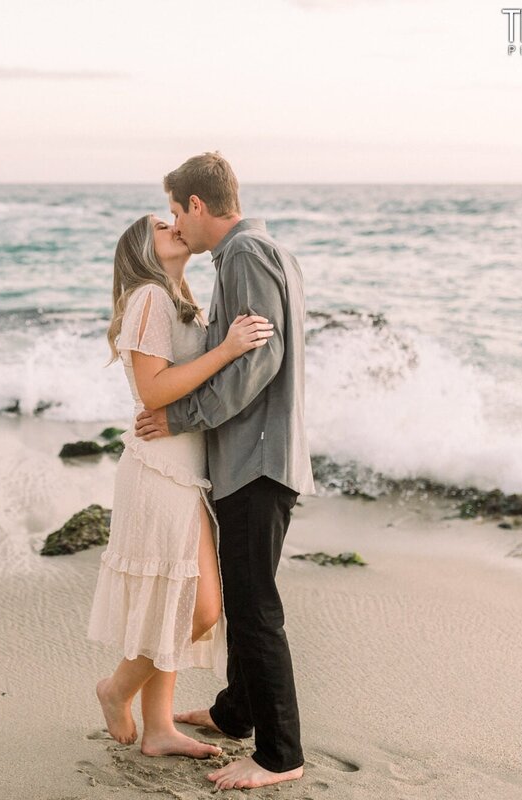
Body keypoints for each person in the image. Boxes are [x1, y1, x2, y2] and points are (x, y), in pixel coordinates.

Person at [134, 152, 316, 791]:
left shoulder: (242, 255)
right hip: (262, 453)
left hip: (257, 458)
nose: (178, 225)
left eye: (179, 212)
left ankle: (279, 754)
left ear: (197, 206)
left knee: (253, 604)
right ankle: (235, 712)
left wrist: (182, 415)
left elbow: (259, 362)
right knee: (244, 593)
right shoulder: (269, 250)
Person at [86, 213, 273, 758]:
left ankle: (160, 728)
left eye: (173, 220)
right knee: (200, 608)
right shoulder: (148, 297)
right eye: (158, 226)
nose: (173, 226)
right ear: (141, 249)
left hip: (184, 468)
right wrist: (230, 349)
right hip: (160, 469)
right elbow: (153, 391)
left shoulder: (176, 298)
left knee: (176, 596)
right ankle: (116, 689)